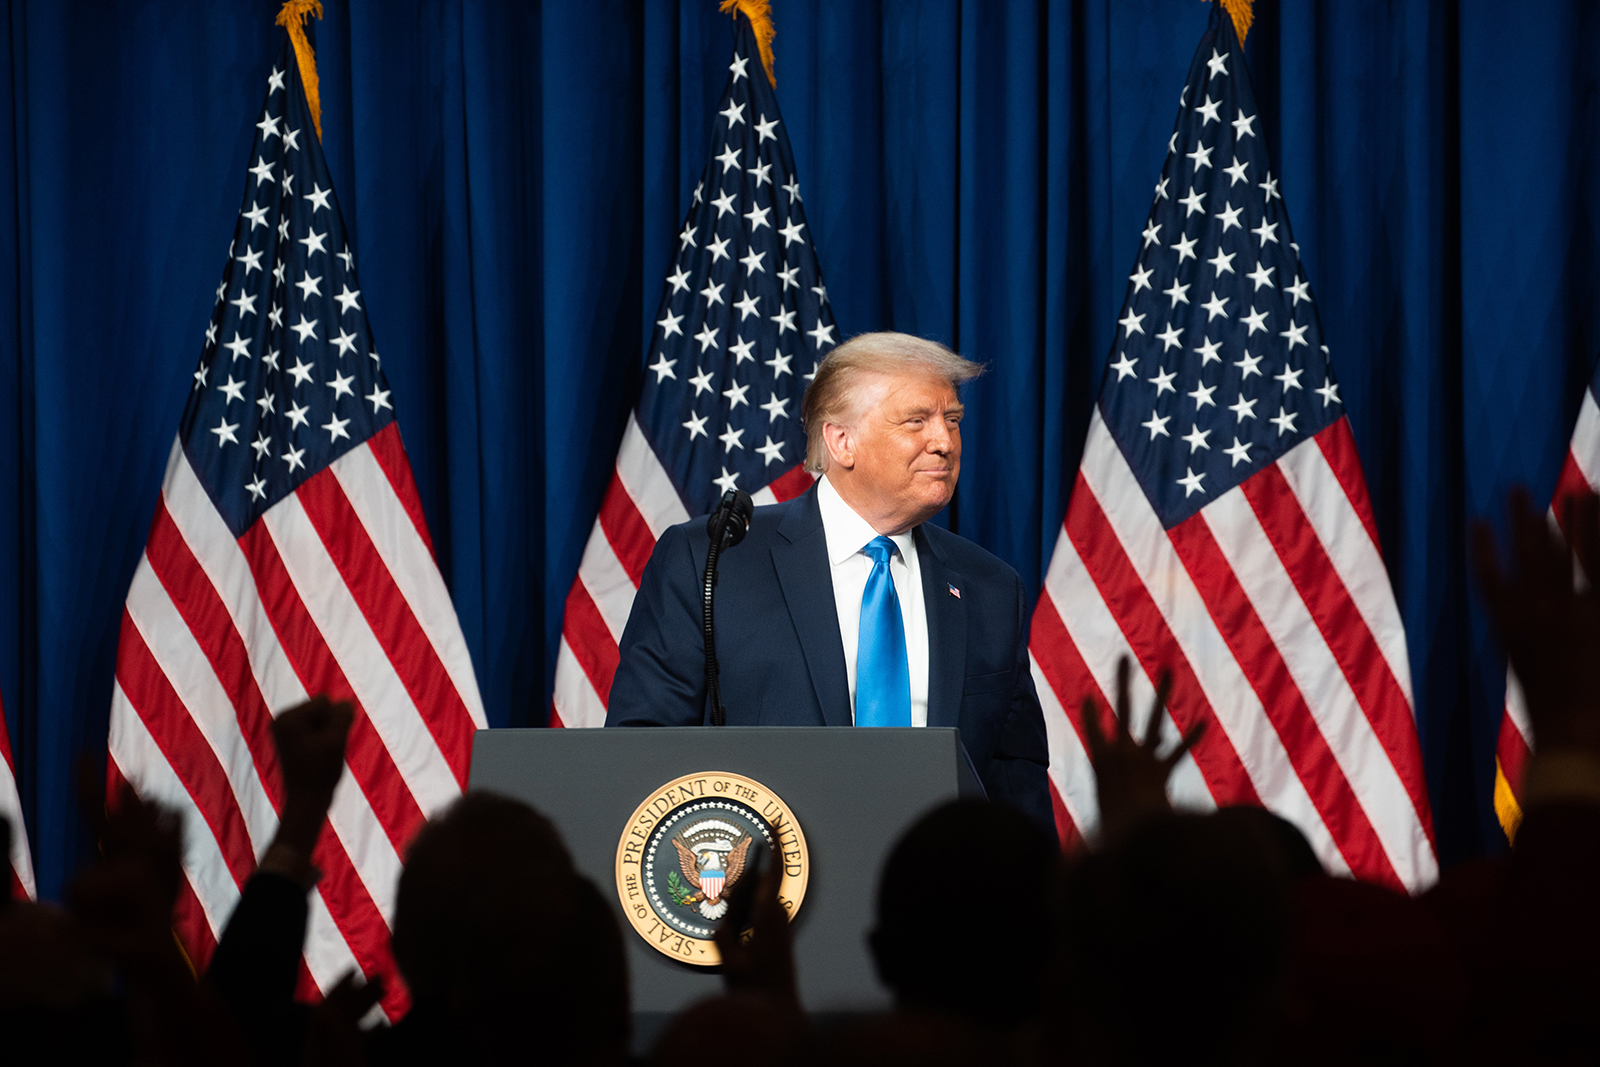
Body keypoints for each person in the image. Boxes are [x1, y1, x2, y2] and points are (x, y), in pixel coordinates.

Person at [606, 331, 1053, 837]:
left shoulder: (990, 587)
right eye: (917, 421)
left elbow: (1017, 786)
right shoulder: (714, 560)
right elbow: (640, 749)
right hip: (766, 894)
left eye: (952, 421)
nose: (945, 442)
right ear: (842, 441)